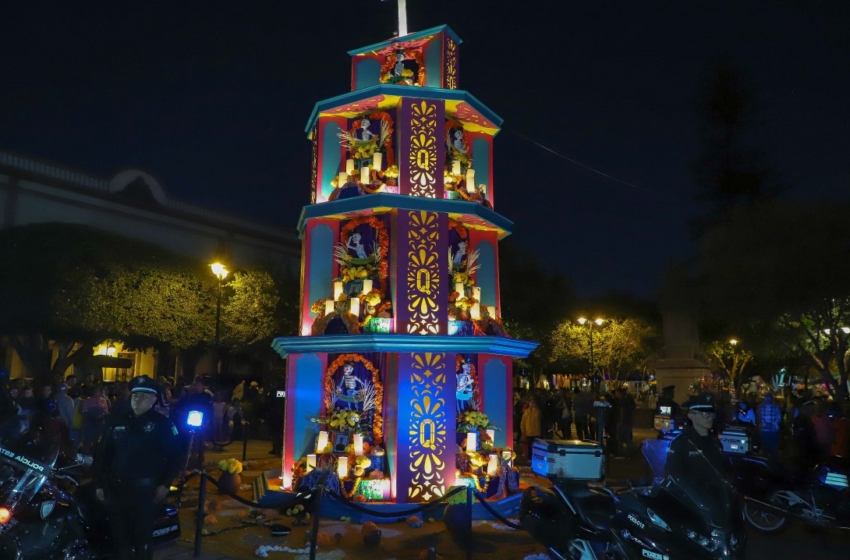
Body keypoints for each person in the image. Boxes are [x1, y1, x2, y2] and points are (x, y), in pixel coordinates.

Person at [96, 375, 182, 560]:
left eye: (144, 396)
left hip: (145, 491)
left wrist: (166, 484)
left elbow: (176, 456)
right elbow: (104, 455)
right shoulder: (118, 421)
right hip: (117, 488)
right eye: (135, 395)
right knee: (120, 538)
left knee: (142, 538)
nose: (138, 399)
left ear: (153, 399)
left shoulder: (162, 424)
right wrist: (99, 484)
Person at [665, 392, 734, 518]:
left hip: (718, 501)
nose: (708, 417)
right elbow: (674, 475)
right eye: (703, 414)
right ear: (691, 416)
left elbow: (724, 469)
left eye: (710, 413)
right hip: (693, 503)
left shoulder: (715, 442)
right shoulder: (681, 443)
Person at [757, 392, 782, 458]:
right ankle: (772, 463)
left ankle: (764, 462)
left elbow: (759, 418)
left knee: (764, 447)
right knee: (773, 448)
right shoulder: (776, 407)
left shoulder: (760, 407)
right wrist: (772, 424)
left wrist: (765, 424)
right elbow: (779, 419)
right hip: (774, 430)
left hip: (764, 430)